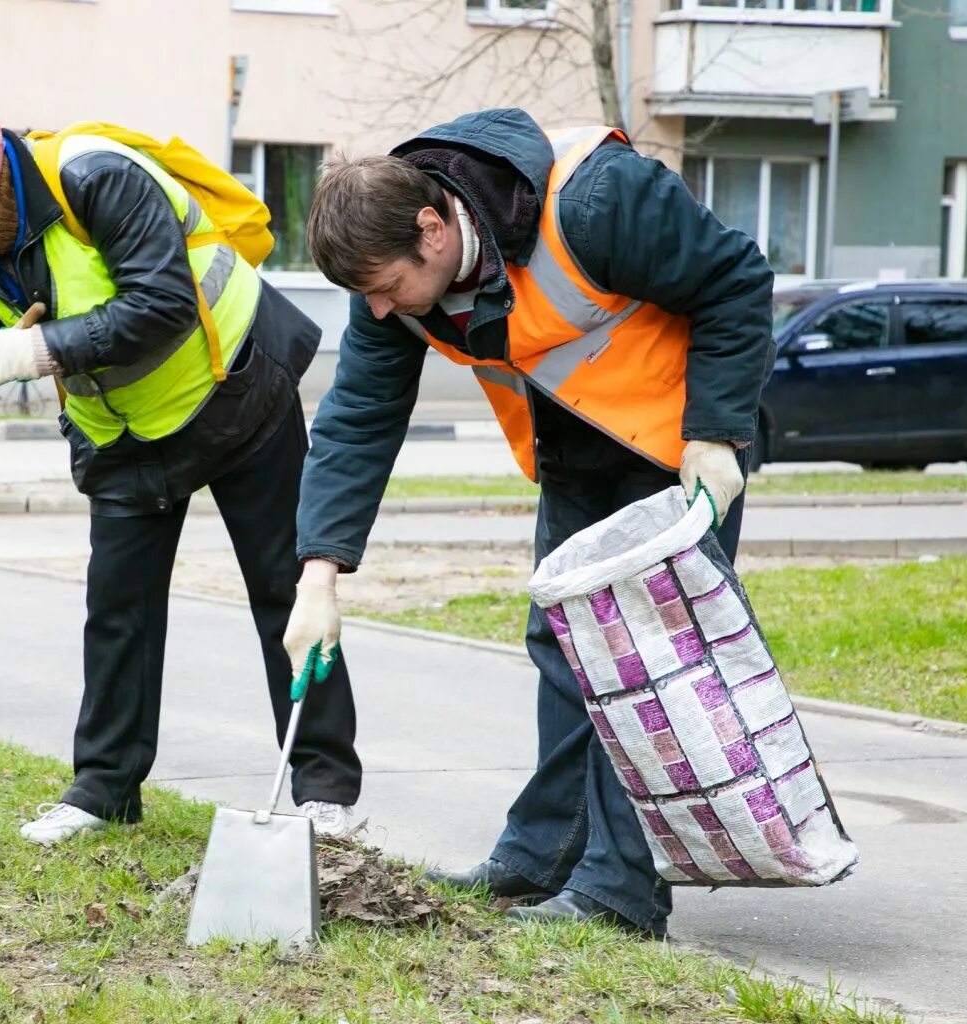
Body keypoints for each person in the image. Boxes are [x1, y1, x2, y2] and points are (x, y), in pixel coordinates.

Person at [0, 96, 362, 846]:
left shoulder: (97, 179)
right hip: (126, 435)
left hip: (238, 394)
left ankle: (325, 793)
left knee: (285, 595)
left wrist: (43, 351)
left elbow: (161, 300)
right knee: (117, 609)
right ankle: (104, 791)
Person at [280, 108, 774, 938]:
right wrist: (318, 575)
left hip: (682, 453)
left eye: (382, 286)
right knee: (564, 647)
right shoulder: (392, 288)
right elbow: (357, 419)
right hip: (575, 456)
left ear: (432, 229)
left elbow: (735, 279)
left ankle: (620, 893)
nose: (375, 308)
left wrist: (718, 434)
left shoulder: (594, 197)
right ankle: (543, 855)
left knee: (645, 663)